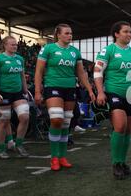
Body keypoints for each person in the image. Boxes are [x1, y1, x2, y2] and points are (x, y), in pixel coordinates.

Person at [34, 24, 95, 171]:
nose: (70, 36)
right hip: (53, 86)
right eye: (67, 33)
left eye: (71, 33)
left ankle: (62, 156)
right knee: (56, 119)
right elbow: (38, 71)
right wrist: (37, 91)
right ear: (58, 35)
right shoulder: (48, 49)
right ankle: (54, 157)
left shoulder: (75, 52)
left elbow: (81, 73)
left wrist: (90, 90)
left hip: (70, 88)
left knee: (66, 123)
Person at [94, 21, 131, 180]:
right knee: (120, 126)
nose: (129, 34)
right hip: (114, 92)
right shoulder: (108, 50)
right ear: (116, 34)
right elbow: (98, 71)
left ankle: (123, 162)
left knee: (128, 129)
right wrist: (100, 92)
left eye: (130, 31)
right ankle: (116, 163)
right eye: (125, 31)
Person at [0, 36, 30, 159]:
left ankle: (19, 144)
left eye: (16, 45)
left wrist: (26, 90)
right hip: (4, 93)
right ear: (5, 45)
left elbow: (22, 76)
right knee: (4, 121)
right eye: (12, 44)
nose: (15, 46)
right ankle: (1, 149)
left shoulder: (19, 59)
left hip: (18, 93)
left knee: (25, 117)